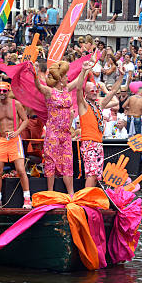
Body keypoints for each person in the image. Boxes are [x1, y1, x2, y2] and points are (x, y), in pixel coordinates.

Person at [32, 60, 85, 196]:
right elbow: (38, 86)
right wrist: (35, 74)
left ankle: (71, 194)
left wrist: (85, 69)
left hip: (66, 133)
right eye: (66, 76)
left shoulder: (67, 90)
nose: (68, 78)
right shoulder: (50, 92)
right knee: (51, 161)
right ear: (61, 78)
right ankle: (50, 193)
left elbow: (79, 80)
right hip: (53, 133)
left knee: (67, 162)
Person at [76, 61, 125, 188]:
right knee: (92, 174)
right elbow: (78, 88)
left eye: (96, 89)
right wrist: (83, 71)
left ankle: (90, 198)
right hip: (89, 143)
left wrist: (121, 76)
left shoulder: (99, 104)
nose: (95, 91)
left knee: (97, 174)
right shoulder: (83, 105)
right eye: (92, 90)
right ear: (86, 92)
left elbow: (113, 91)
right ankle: (86, 200)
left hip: (98, 143)